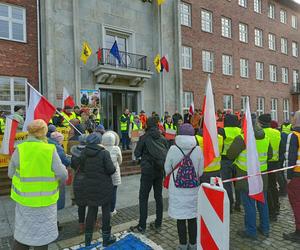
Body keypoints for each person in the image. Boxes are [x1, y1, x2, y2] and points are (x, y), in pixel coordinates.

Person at [8, 119, 68, 250]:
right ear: (43, 133)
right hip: (45, 202)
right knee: (42, 237)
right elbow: (63, 174)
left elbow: (10, 174)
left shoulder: (20, 148)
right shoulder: (49, 149)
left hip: (24, 201)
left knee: (22, 235)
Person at [227, 114, 272, 239]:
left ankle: (251, 231)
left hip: (246, 177)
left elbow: (230, 155)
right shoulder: (265, 136)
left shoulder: (242, 138)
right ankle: (265, 228)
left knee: (249, 204)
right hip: (262, 176)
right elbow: (269, 155)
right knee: (263, 203)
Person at [165, 124, 204, 250]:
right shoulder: (198, 149)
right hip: (193, 189)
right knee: (192, 217)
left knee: (180, 219)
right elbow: (201, 171)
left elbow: (167, 168)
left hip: (177, 189)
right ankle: (193, 245)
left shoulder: (173, 149)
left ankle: (182, 245)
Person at [73, 133, 116, 247]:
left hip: (89, 186)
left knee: (92, 211)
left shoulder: (84, 153)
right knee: (106, 211)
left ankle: (88, 241)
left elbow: (81, 168)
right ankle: (106, 239)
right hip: (104, 186)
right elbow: (111, 170)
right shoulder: (104, 153)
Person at [130, 117, 169, 233]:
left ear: (147, 125)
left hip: (147, 171)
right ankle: (158, 223)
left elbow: (136, 153)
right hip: (159, 171)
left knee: (143, 197)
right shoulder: (163, 138)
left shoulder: (144, 137)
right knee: (158, 197)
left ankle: (142, 225)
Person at [258, 114, 281, 222]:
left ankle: (271, 212)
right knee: (273, 186)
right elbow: (281, 147)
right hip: (275, 163)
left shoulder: (261, 133)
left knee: (267, 188)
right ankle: (277, 207)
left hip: (265, 163)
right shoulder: (277, 132)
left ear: (261, 122)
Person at [283, 110, 300, 243]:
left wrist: (288, 177)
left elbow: (290, 157)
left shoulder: (293, 136)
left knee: (296, 203)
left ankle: (298, 232)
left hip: (296, 175)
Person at [219, 114, 242, 212]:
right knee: (238, 183)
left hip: (225, 160)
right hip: (238, 159)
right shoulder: (240, 130)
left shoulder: (222, 131)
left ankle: (229, 205)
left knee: (227, 184)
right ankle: (238, 204)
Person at [49, 131, 71, 230]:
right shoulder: (57, 148)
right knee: (55, 202)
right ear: (58, 140)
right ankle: (54, 224)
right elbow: (64, 162)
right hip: (56, 178)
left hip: (46, 178)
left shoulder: (46, 145)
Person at [70, 134, 88, 233]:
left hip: (78, 179)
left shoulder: (74, 154)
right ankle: (92, 222)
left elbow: (72, 166)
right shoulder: (90, 152)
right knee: (91, 202)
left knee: (81, 205)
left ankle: (81, 225)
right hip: (89, 179)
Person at [102, 131, 122, 216]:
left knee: (104, 191)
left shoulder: (102, 148)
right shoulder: (116, 148)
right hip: (115, 173)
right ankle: (112, 210)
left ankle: (105, 209)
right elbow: (120, 161)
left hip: (104, 173)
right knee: (113, 192)